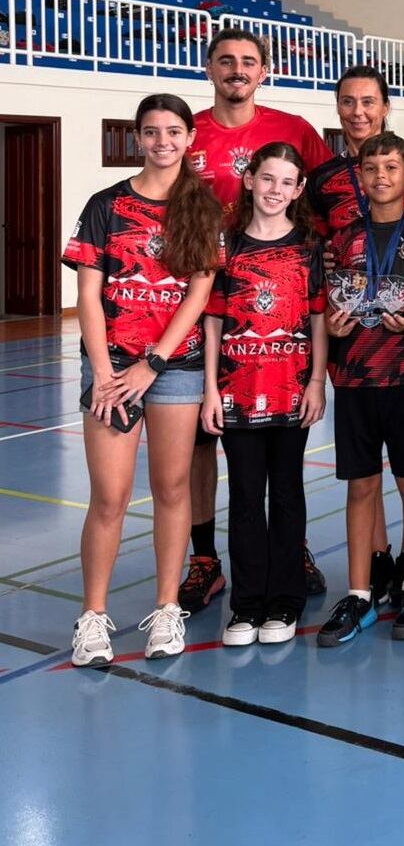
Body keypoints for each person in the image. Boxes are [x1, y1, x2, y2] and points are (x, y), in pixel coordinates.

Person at [64, 94, 223, 666]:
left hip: (171, 370)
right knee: (108, 497)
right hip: (110, 369)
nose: (163, 141)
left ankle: (164, 609)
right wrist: (105, 372)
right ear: (138, 139)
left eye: (174, 131)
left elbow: (199, 293)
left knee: (172, 489)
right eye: (152, 132)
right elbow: (87, 292)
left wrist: (150, 363)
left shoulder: (202, 208)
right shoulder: (105, 205)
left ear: (188, 138)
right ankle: (93, 617)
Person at [181, 26, 333, 613]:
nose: (237, 70)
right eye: (226, 61)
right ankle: (205, 557)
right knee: (205, 434)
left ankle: (288, 550)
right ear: (210, 68)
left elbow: (336, 191)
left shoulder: (293, 131)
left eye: (248, 61)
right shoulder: (187, 132)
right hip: (202, 301)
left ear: (263, 71)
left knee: (283, 454)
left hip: (286, 304)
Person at [306, 65, 404, 606]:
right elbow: (313, 252)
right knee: (361, 481)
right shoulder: (326, 183)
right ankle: (370, 571)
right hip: (353, 365)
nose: (358, 111)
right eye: (347, 101)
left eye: (368, 101)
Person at [317, 133, 404, 645]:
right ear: (360, 177)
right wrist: (334, 326)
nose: (380, 177)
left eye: (391, 168)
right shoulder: (341, 240)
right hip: (354, 380)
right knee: (361, 486)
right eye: (371, 169)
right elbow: (328, 310)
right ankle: (360, 595)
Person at [200, 143, 327, 646]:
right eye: (266, 178)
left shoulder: (309, 247)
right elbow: (212, 323)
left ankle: (285, 602)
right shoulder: (225, 246)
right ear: (249, 180)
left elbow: (317, 318)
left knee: (289, 494)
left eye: (286, 182)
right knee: (247, 497)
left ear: (298, 191)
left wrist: (316, 381)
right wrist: (211, 389)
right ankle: (247, 606)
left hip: (291, 391)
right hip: (236, 391)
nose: (275, 190)